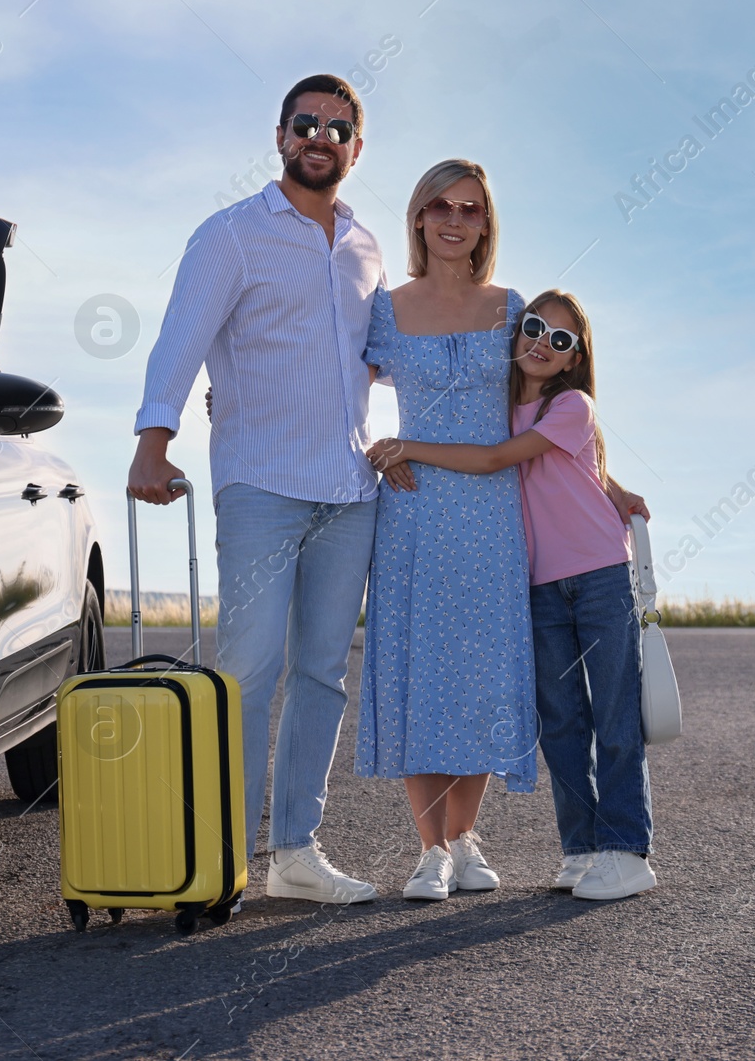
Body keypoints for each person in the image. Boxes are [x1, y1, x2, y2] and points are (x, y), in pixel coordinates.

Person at [128, 74, 382, 905]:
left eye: (338, 129)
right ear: (280, 137)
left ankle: (296, 852)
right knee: (247, 667)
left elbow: (373, 360)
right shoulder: (231, 235)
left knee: (321, 674)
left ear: (355, 147)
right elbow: (181, 342)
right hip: (261, 484)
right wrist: (152, 445)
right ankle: (223, 858)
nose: (321, 138)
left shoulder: (366, 246)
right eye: (306, 124)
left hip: (349, 489)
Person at [368, 288, 658, 900]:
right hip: (540, 584)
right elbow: (587, 470)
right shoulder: (500, 406)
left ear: (575, 357)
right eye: (533, 328)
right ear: (515, 332)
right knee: (560, 722)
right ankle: (581, 850)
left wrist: (407, 445)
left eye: (560, 340)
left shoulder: (572, 404)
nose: (541, 344)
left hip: (600, 574)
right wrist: (618, 487)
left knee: (613, 715)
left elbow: (500, 459)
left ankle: (627, 850)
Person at [353, 159, 537, 901]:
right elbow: (339, 390)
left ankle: (465, 838)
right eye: (441, 206)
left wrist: (608, 481)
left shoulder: (511, 305)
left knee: (483, 668)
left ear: (485, 222)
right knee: (417, 668)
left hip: (492, 510)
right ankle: (429, 848)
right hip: (415, 509)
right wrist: (370, 447)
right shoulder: (387, 308)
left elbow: (547, 406)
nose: (455, 220)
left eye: (470, 208)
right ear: (419, 217)